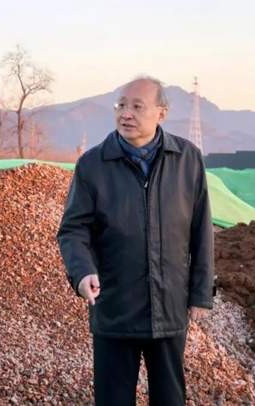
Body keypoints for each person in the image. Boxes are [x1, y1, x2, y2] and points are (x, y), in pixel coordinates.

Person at [57, 76, 214, 405]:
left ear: (161, 112)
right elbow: (73, 230)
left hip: (169, 308)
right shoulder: (93, 165)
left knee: (170, 399)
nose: (126, 114)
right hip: (114, 307)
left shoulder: (187, 160)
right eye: (121, 105)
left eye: (137, 106)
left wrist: (200, 294)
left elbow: (201, 231)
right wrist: (82, 273)